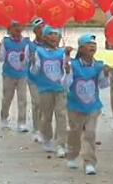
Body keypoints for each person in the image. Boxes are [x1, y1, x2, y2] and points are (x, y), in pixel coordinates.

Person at [64, 34, 110, 175]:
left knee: (90, 134)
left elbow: (103, 85)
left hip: (93, 106)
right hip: (75, 107)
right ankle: (72, 155)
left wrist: (106, 74)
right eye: (88, 44)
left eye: (94, 44)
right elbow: (66, 85)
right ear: (81, 48)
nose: (92, 46)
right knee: (75, 133)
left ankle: (89, 162)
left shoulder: (98, 65)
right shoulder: (73, 65)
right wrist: (66, 73)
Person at [31, 26, 71, 157]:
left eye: (57, 34)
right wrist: (33, 63)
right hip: (45, 89)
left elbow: (66, 71)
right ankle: (47, 139)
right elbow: (35, 71)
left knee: (61, 115)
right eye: (51, 34)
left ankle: (61, 144)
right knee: (46, 116)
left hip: (60, 89)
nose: (54, 37)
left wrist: (68, 59)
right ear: (45, 37)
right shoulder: (39, 51)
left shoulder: (62, 52)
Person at [0, 22, 30, 131]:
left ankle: (21, 123)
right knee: (7, 98)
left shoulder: (26, 42)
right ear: (9, 29)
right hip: (8, 75)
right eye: (14, 27)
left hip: (22, 75)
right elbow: (1, 58)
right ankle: (4, 118)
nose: (17, 29)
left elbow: (27, 61)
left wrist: (24, 59)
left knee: (22, 99)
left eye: (19, 26)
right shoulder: (6, 42)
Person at [28, 18, 45, 141]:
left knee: (46, 105)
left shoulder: (51, 44)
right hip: (33, 79)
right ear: (35, 31)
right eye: (39, 28)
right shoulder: (30, 45)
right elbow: (22, 62)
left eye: (43, 28)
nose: (42, 31)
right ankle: (36, 129)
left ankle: (44, 128)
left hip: (48, 80)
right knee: (37, 103)